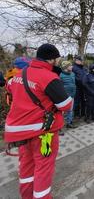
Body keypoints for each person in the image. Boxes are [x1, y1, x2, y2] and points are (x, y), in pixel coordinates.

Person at [4, 43, 72, 199]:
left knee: (26, 166)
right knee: (43, 167)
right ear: (51, 60)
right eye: (57, 58)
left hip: (21, 134)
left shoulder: (19, 74)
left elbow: (10, 89)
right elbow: (65, 105)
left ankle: (27, 196)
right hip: (43, 135)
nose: (58, 61)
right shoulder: (49, 77)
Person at [60, 61, 77, 128]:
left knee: (70, 110)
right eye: (70, 66)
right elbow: (60, 87)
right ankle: (59, 127)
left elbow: (73, 84)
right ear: (66, 67)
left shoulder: (73, 74)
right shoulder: (61, 76)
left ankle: (69, 123)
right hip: (64, 97)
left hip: (72, 95)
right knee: (62, 112)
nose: (72, 67)